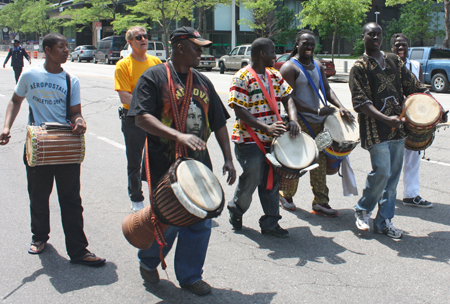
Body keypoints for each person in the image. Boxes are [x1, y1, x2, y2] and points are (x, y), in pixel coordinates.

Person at [127, 26, 236, 296]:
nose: (201, 51)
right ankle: (149, 260)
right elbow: (141, 117)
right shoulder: (153, 77)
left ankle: (189, 276)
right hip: (164, 167)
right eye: (196, 46)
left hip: (197, 167)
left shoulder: (203, 81)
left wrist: (229, 158)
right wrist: (178, 135)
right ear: (179, 47)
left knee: (200, 223)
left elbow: (219, 122)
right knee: (168, 221)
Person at [0, 33, 105, 265]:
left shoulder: (71, 80)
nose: (67, 50)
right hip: (38, 146)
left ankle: (78, 251)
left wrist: (80, 121)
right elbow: (16, 100)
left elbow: (75, 112)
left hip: (66, 147)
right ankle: (39, 237)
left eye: (67, 46)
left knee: (71, 200)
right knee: (38, 197)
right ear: (47, 50)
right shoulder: (30, 75)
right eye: (61, 47)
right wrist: (6, 127)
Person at [349, 23, 428, 238]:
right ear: (363, 36)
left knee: (393, 177)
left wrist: (433, 107)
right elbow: (361, 102)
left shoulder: (394, 60)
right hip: (375, 129)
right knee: (382, 172)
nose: (375, 37)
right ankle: (363, 209)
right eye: (370, 34)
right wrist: (386, 119)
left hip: (397, 129)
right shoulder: (359, 66)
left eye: (378, 34)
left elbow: (413, 87)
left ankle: (384, 220)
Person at [227, 37, 300, 238]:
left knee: (272, 180)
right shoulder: (242, 76)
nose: (275, 55)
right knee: (255, 176)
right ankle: (236, 208)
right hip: (249, 138)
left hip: (273, 139)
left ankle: (270, 223)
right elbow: (238, 109)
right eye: (272, 51)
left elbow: (288, 98)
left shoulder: (274, 75)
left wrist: (293, 120)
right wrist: (264, 127)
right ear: (261, 54)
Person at [278, 29, 354, 215]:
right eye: (305, 43)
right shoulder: (289, 68)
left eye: (312, 44)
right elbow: (289, 98)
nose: (309, 47)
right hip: (300, 121)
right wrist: (316, 110)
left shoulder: (318, 65)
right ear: (297, 44)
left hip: (319, 122)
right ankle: (285, 194)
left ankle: (320, 201)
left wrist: (340, 106)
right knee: (298, 161)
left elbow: (327, 91)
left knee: (319, 162)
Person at [115, 26, 162, 213]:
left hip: (156, 119)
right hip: (133, 119)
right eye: (138, 37)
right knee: (135, 161)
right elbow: (125, 96)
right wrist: (148, 107)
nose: (143, 39)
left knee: (157, 159)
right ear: (130, 42)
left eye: (145, 36)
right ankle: (136, 198)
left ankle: (158, 196)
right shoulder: (123, 65)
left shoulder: (156, 62)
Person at [390, 33, 432, 208]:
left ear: (409, 47)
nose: (401, 48)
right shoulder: (386, 65)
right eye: (397, 45)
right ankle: (386, 196)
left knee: (413, 158)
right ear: (391, 48)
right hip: (393, 119)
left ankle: (410, 194)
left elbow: (420, 90)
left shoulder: (416, 65)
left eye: (404, 45)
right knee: (391, 160)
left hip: (413, 120)